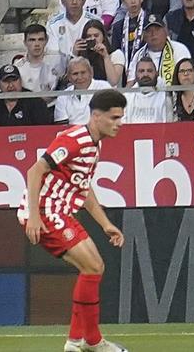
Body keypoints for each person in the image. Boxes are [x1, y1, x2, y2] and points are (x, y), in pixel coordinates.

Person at [19, 88, 129, 352]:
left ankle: (75, 341)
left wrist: (105, 224)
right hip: (46, 212)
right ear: (96, 116)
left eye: (121, 117)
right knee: (92, 267)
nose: (119, 123)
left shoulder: (95, 144)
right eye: (114, 118)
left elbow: (84, 187)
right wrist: (34, 216)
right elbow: (35, 171)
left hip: (60, 212)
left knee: (95, 268)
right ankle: (93, 342)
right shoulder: (75, 139)